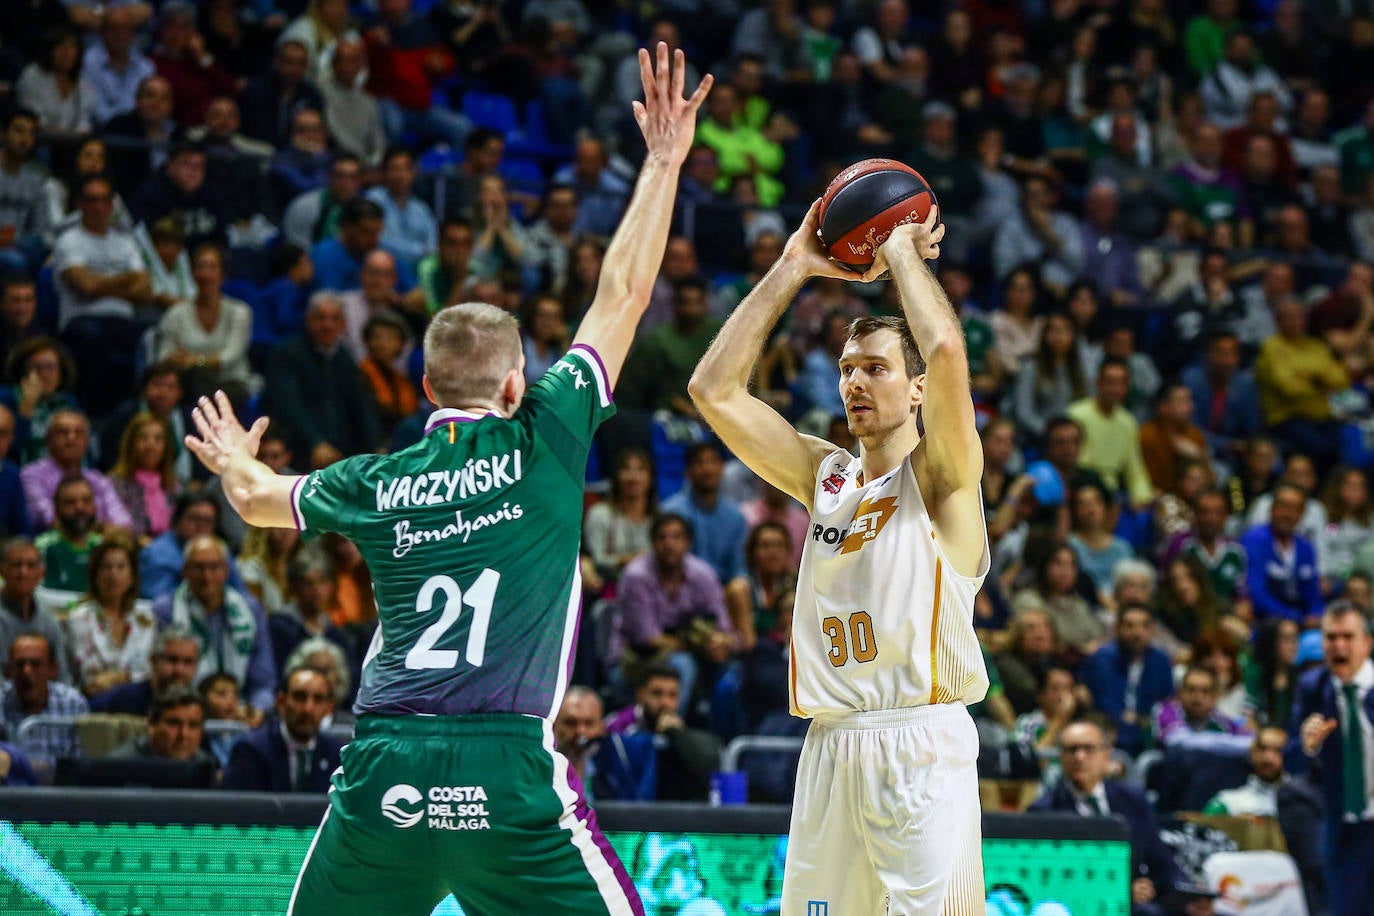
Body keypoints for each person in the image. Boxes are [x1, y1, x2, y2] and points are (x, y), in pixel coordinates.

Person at [182, 44, 710, 915]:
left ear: (425, 389)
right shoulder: (547, 430)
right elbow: (621, 292)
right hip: (503, 768)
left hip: (386, 763)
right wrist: (662, 160)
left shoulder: (378, 479)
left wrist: (237, 455)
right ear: (513, 386)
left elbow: (254, 500)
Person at [689, 193, 987, 906]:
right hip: (829, 745)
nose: (855, 380)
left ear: (918, 391)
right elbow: (712, 390)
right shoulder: (826, 477)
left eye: (877, 368)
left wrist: (901, 256)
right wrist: (792, 265)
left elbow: (945, 348)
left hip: (920, 745)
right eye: (849, 367)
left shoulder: (943, 478)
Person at [1030, 719, 1179, 915]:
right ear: (1061, 757)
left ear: (1106, 755)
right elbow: (1049, 879)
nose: (1080, 757)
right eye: (1072, 750)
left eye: (1088, 749)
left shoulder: (1132, 800)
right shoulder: (1044, 811)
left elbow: (1164, 865)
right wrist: (1120, 891)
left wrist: (1149, 885)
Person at [223, 666, 342, 792]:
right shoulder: (250, 751)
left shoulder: (336, 755)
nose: (308, 708)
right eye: (300, 697)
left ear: (329, 708)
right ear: (281, 701)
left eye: (318, 699)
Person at [61, 536, 154, 696]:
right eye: (106, 567)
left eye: (121, 567)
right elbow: (90, 680)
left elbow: (149, 673)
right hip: (94, 702)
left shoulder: (145, 620)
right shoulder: (79, 618)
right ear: (95, 575)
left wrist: (118, 677)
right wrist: (129, 677)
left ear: (132, 577)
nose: (113, 574)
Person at [0, 632, 87, 777]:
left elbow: (81, 765)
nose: (26, 672)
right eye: (20, 664)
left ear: (53, 669)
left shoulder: (73, 704)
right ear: (8, 671)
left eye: (35, 664)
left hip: (62, 794)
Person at [88, 625, 198, 717]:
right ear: (153, 661)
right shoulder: (124, 699)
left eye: (188, 662)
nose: (179, 670)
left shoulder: (197, 706)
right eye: (172, 660)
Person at [108, 412, 180, 542]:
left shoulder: (175, 485)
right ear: (131, 444)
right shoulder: (114, 483)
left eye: (158, 439)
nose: (150, 445)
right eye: (143, 438)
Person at [110, 685, 216, 766]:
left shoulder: (206, 765)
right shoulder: (120, 764)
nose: (184, 735)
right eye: (174, 724)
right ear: (152, 725)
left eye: (193, 725)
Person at [1202, 726, 1290, 816]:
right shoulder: (1226, 803)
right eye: (1262, 749)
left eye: (1278, 750)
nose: (1268, 758)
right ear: (1252, 752)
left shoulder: (1301, 803)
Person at [34, 475, 100, 592]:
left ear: (95, 506)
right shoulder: (42, 547)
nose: (79, 507)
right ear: (56, 509)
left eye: (86, 500)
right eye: (70, 502)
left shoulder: (103, 546)